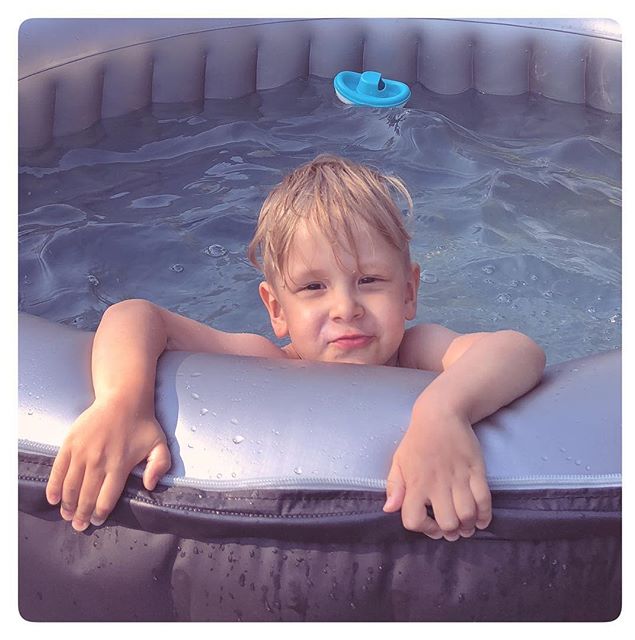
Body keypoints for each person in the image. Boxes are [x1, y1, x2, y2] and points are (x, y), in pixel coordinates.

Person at [45, 154, 546, 542]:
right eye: (313, 288)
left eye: (370, 280)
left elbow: (516, 349)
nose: (345, 308)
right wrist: (121, 403)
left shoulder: (416, 352)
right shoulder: (268, 363)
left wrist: (442, 414)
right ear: (276, 308)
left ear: (409, 292)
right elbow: (135, 315)